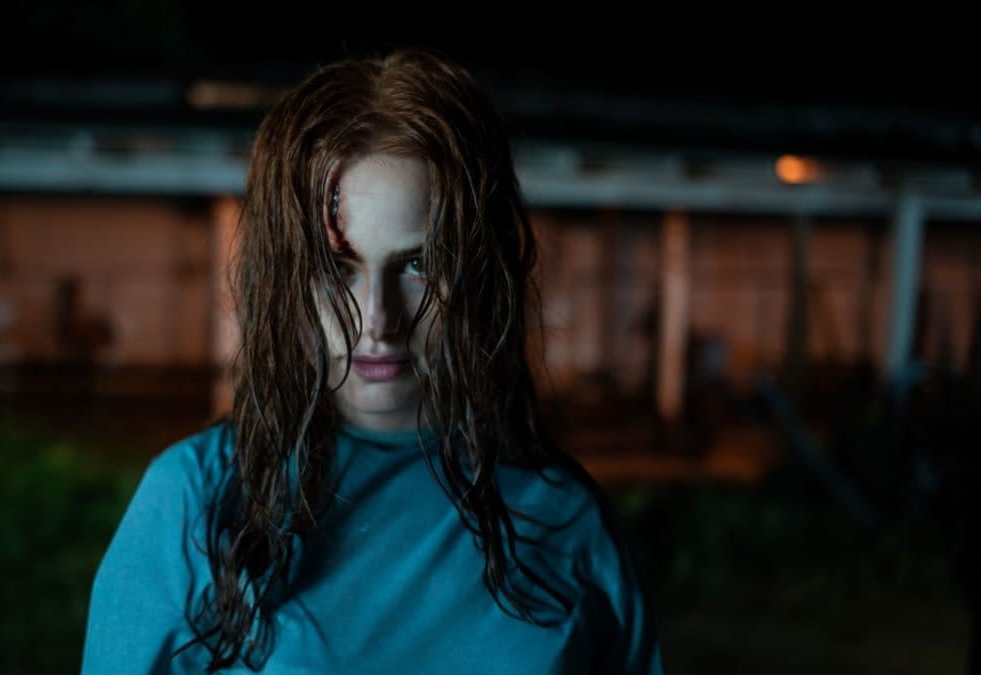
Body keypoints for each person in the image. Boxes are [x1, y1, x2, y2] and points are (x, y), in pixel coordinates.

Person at [82, 48, 665, 674]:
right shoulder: (198, 503)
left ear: (478, 273)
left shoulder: (565, 519)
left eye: (418, 264)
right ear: (284, 278)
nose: (379, 321)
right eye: (338, 269)